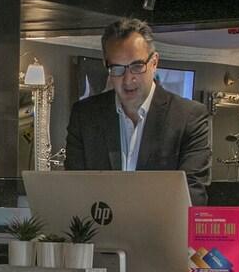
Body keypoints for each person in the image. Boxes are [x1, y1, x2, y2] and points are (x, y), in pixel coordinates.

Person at [64, 17, 213, 203]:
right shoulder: (85, 115)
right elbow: (74, 190)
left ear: (154, 62)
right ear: (106, 65)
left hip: (162, 222)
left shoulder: (189, 117)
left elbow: (193, 197)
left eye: (137, 66)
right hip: (101, 222)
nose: (128, 79)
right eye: (117, 68)